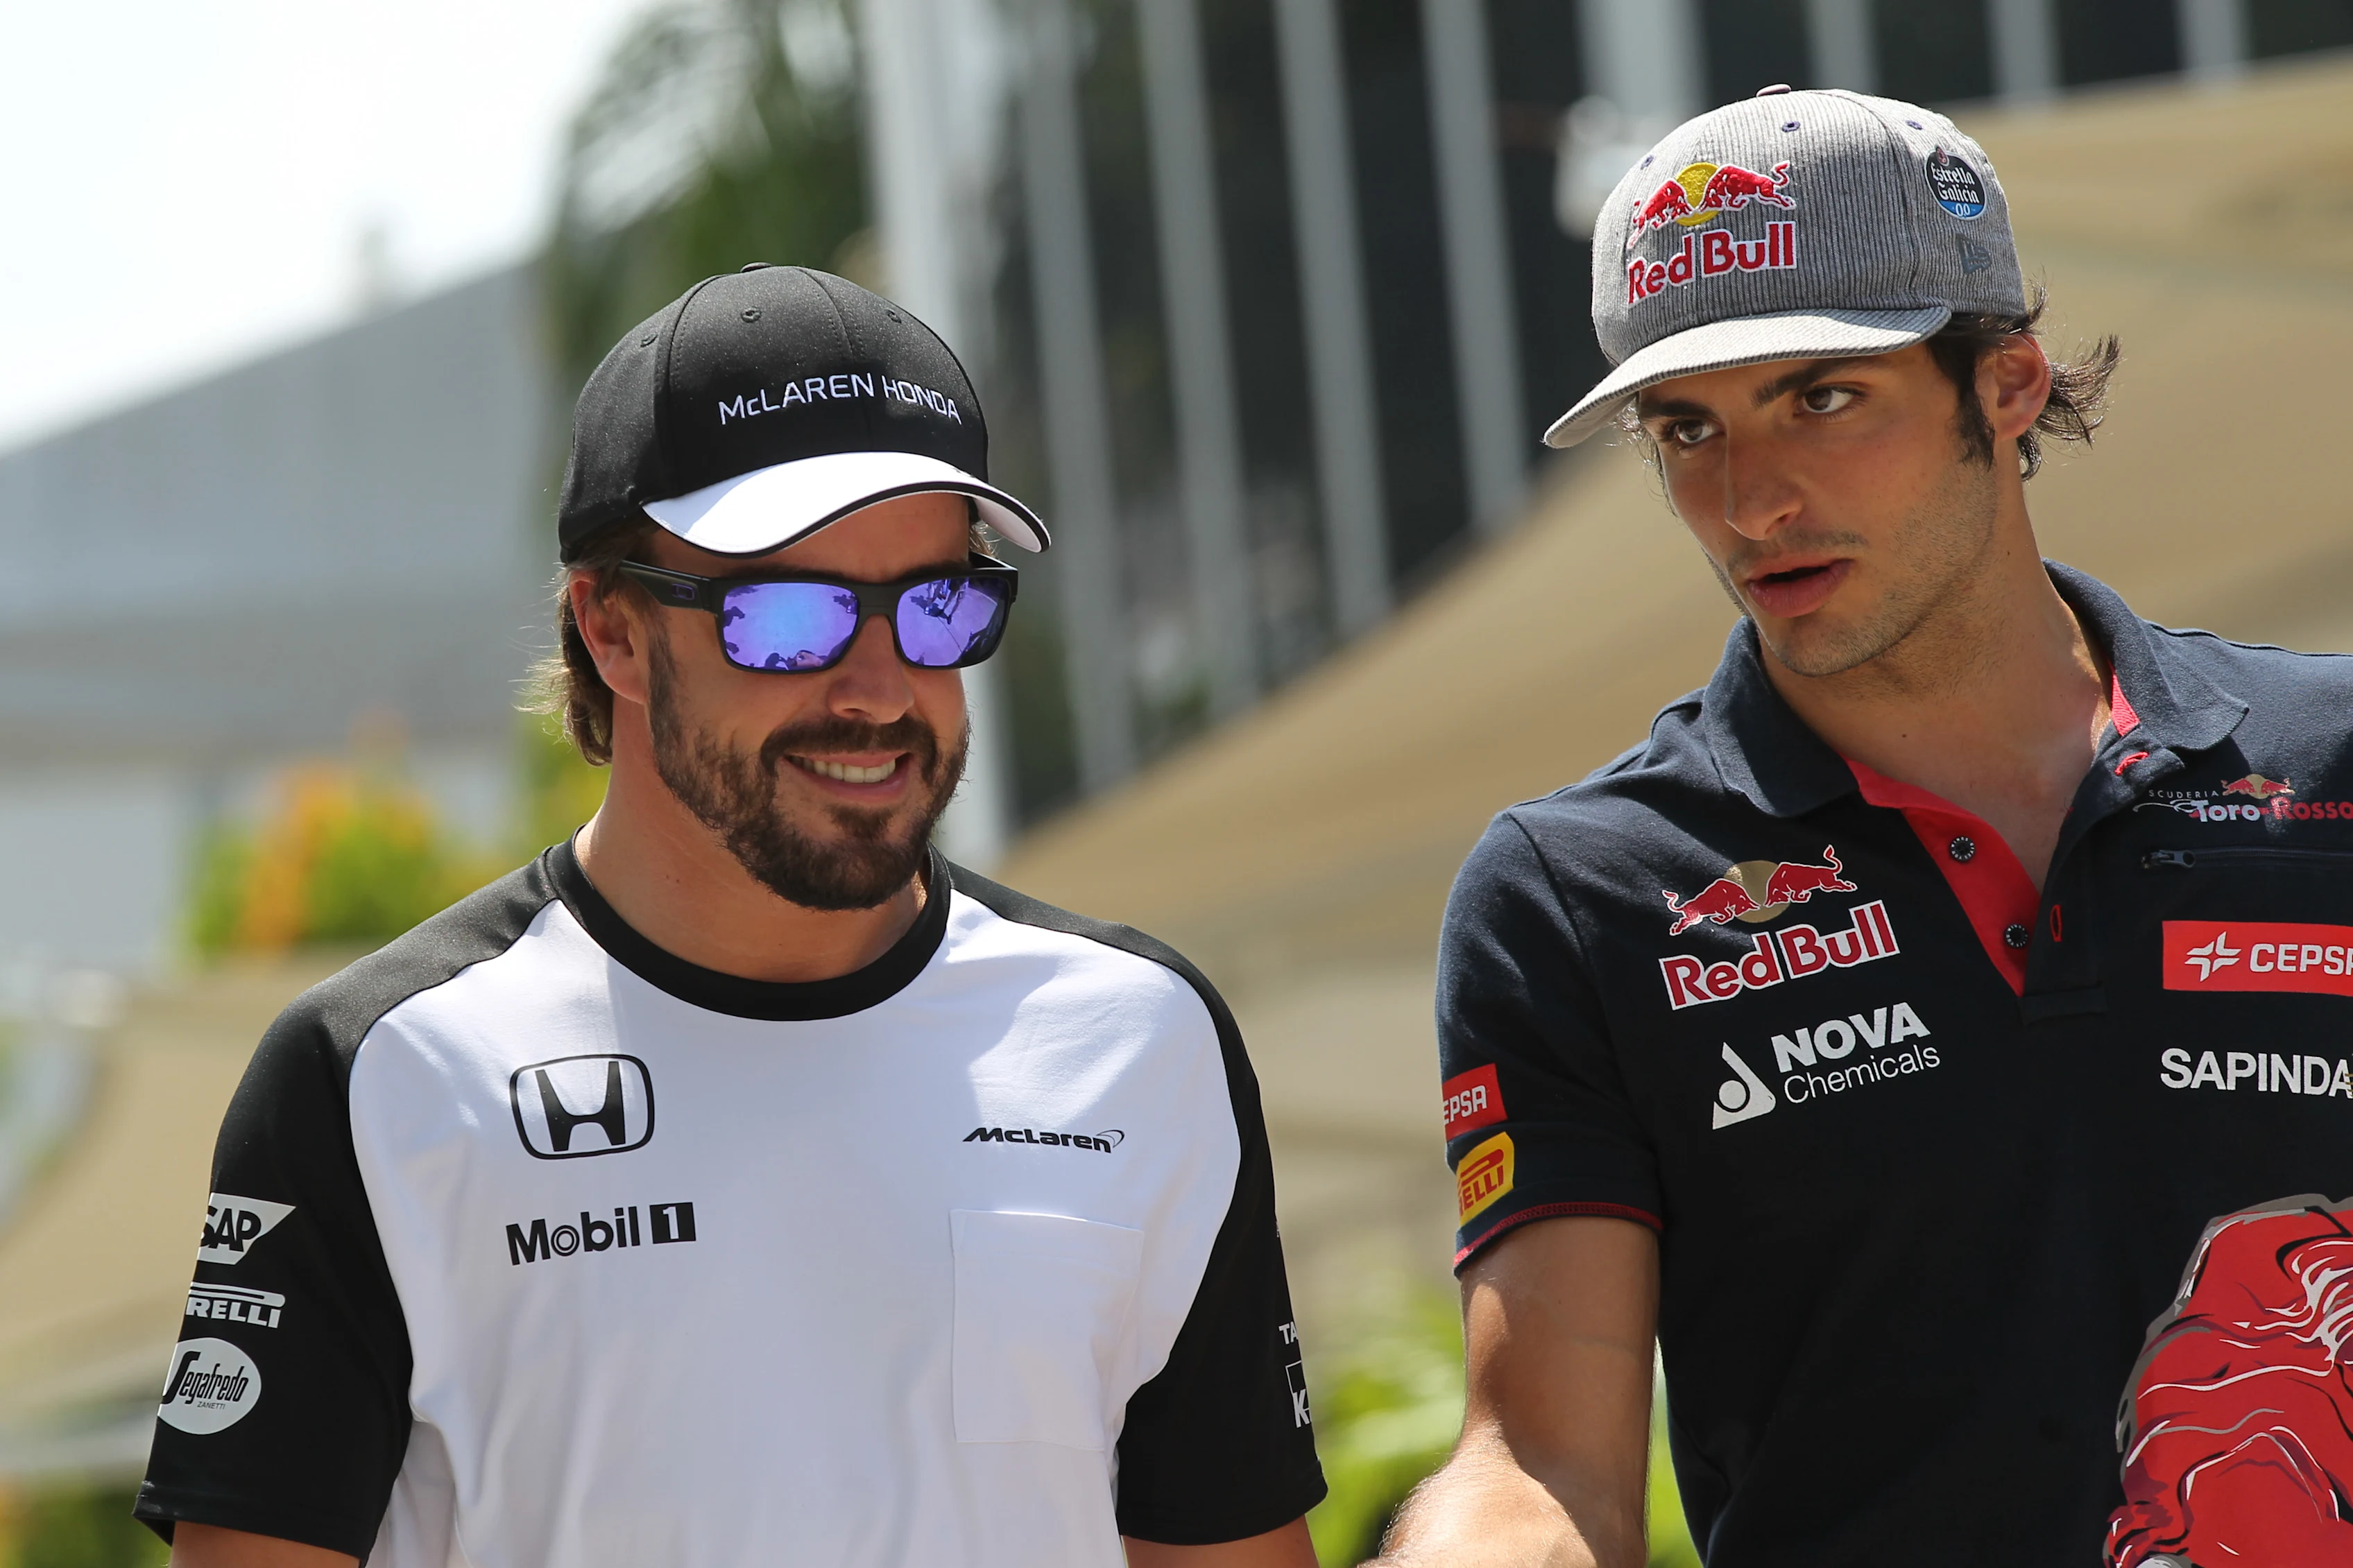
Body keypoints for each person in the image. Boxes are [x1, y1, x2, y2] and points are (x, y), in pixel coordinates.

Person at [135, 266, 1325, 1568]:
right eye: (792, 615)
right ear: (613, 631)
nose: (878, 688)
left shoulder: (1138, 1040)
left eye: (935, 605)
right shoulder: (383, 1078)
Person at [1378, 89, 2353, 1567]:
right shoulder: (1579, 892)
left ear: (2009, 383)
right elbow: (1544, 1463)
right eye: (1684, 427)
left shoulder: (2330, 764)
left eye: (1821, 398)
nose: (1749, 498)